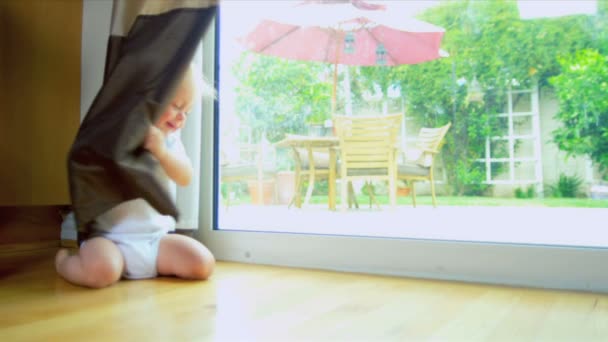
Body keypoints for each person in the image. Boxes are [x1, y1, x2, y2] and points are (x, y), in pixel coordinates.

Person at [55, 65, 215, 288]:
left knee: (202, 263)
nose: (181, 118)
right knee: (101, 272)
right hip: (110, 240)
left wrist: (162, 152)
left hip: (156, 240)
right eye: (176, 106)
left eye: (186, 112)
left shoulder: (170, 141)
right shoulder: (118, 133)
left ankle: (146, 266)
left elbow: (185, 176)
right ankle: (65, 263)